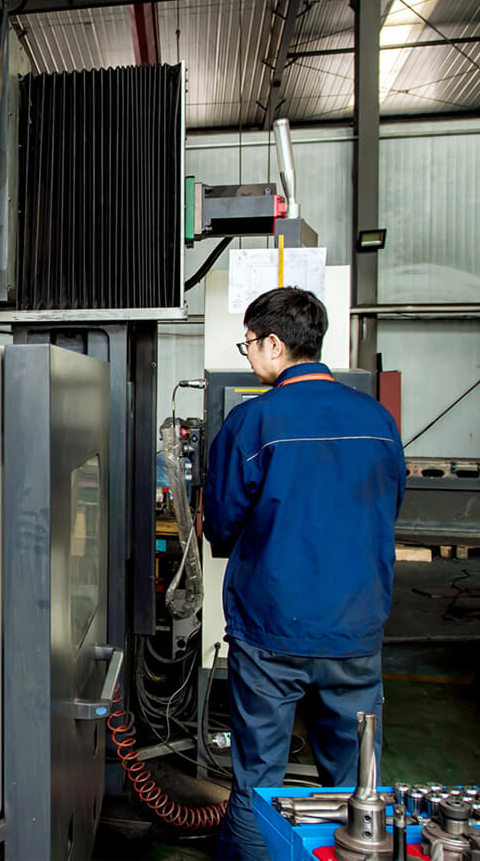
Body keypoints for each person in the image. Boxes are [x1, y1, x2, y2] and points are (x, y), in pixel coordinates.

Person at [202, 287, 406, 861]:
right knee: (355, 781)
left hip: (272, 629)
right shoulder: (377, 420)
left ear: (273, 343)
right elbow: (388, 507)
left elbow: (222, 524)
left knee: (259, 781)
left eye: (248, 343)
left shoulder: (252, 422)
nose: (248, 355)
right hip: (354, 628)